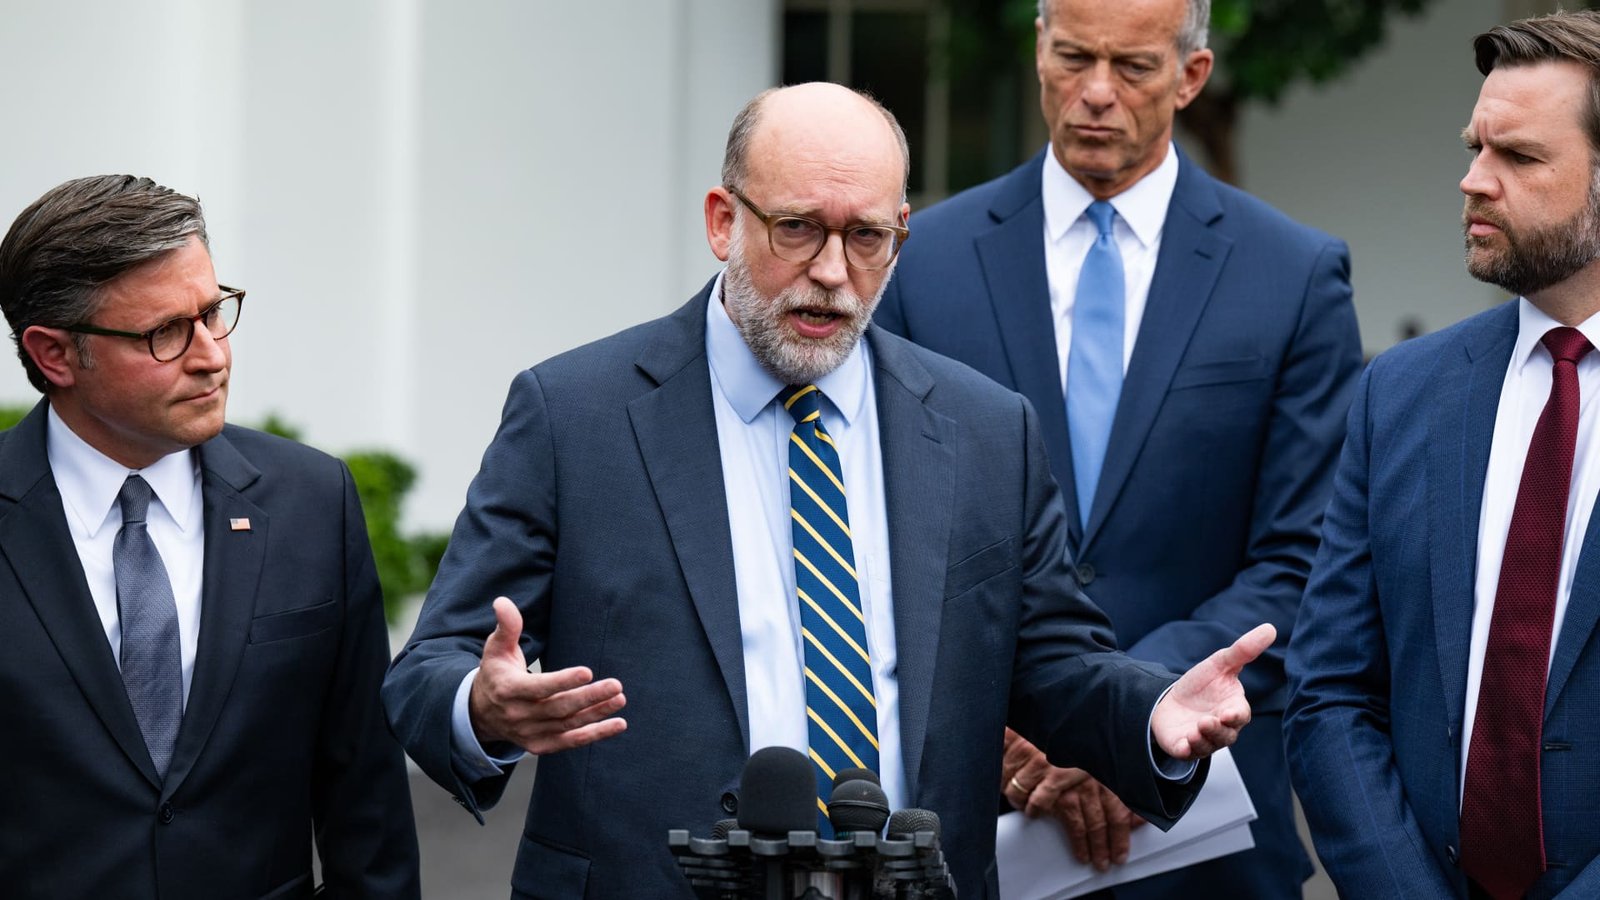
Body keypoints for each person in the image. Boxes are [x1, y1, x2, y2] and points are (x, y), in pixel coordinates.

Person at [384, 81, 1277, 899]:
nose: (832, 271)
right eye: (798, 229)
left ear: (901, 236)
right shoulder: (575, 416)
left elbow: (1053, 663)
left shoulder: (985, 430)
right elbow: (430, 669)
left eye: (866, 238)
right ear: (723, 221)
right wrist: (482, 708)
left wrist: (1154, 712)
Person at [872, 0, 1362, 895]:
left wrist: (1121, 718)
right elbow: (885, 535)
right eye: (1073, 57)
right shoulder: (921, 262)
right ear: (1038, 49)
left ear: (1191, 75)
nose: (1096, 92)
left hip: (1207, 839)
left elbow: (1305, 561)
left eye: (1132, 67)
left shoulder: (1292, 276)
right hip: (984, 812)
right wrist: (1019, 724)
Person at [0, 175, 420, 899]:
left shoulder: (313, 500)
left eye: (213, 312)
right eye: (164, 332)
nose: (212, 355)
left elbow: (367, 805)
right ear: (55, 355)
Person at [1285, 11, 1600, 899]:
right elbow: (1330, 692)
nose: (1473, 181)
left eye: (1520, 157)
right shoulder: (1401, 391)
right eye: (1475, 148)